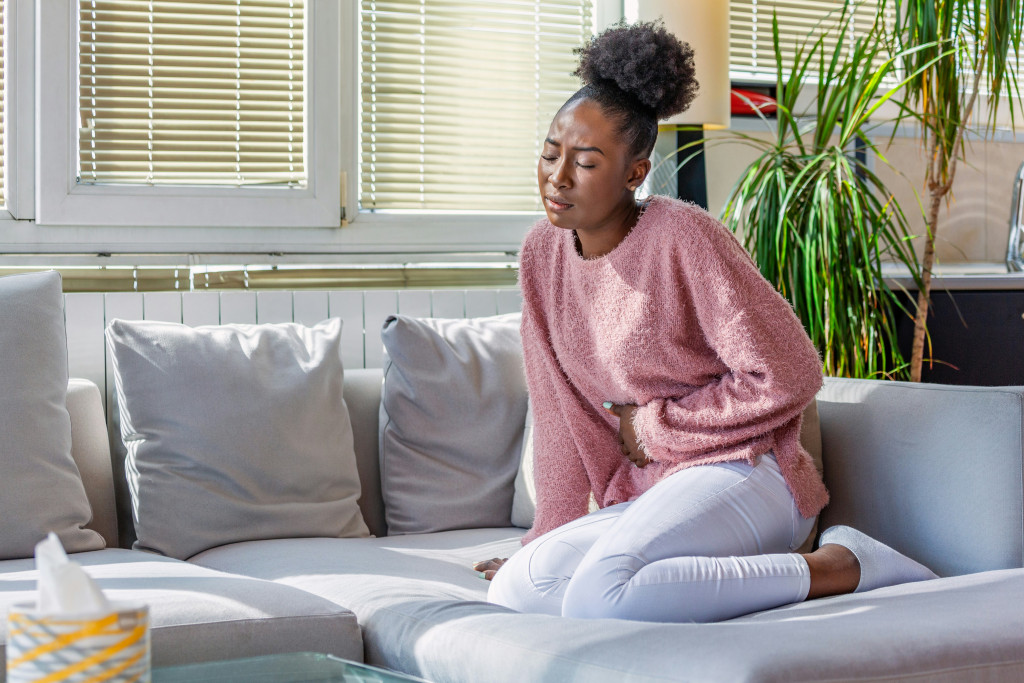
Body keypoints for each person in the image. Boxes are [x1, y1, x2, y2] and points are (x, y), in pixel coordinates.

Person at [473, 20, 937, 623]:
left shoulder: (683, 236)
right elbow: (558, 410)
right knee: (519, 589)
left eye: (585, 163)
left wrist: (657, 429)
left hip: (745, 473)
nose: (557, 178)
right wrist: (547, 534)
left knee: (599, 596)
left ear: (635, 173)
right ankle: (655, 575)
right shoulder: (541, 254)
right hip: (654, 492)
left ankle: (844, 565)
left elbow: (792, 373)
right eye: (549, 153)